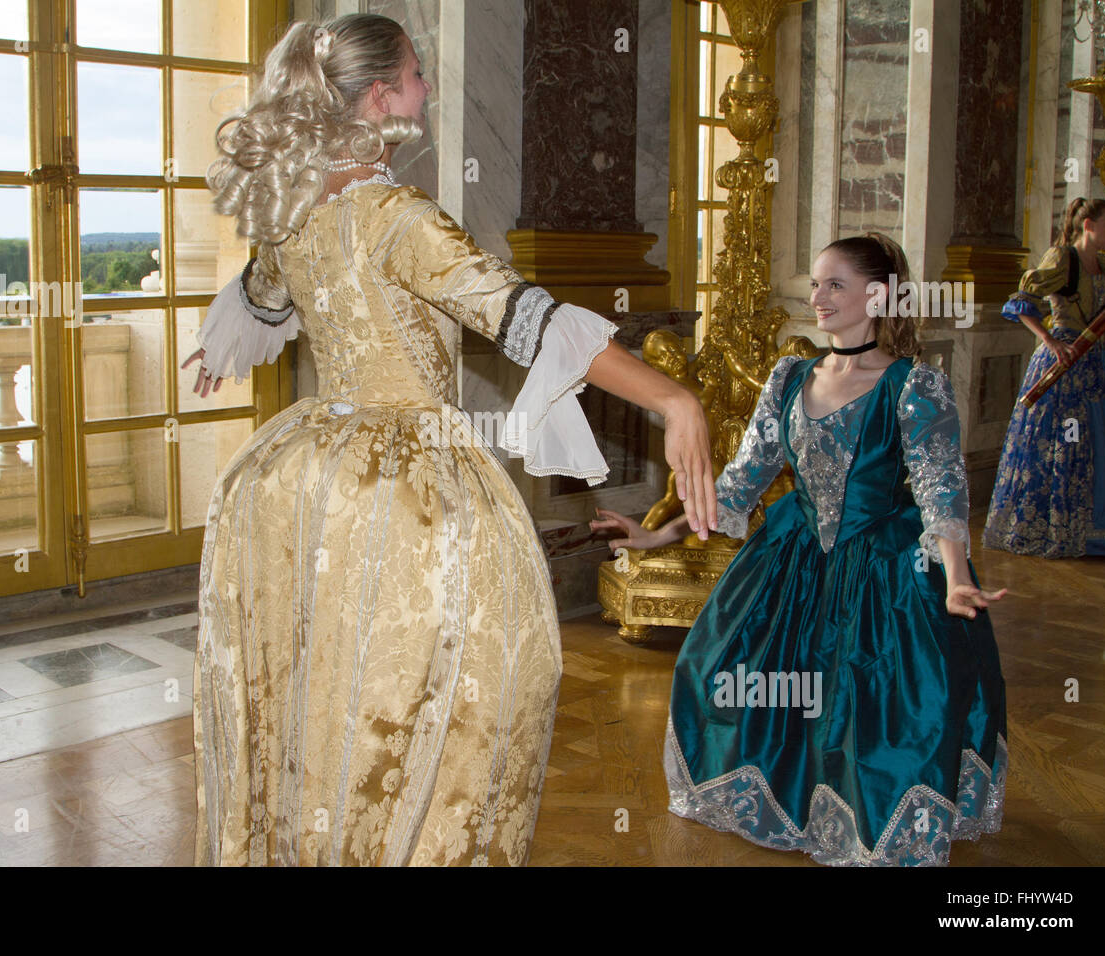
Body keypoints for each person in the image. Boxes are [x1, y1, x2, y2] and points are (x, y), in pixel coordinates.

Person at [180, 14, 716, 866]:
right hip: (403, 489)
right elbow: (520, 318)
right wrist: (670, 396)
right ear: (383, 97)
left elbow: (263, 294)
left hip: (300, 476)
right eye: (417, 72)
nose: (429, 85)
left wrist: (217, 344)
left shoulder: (295, 213)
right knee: (450, 694)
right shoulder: (397, 214)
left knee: (322, 687)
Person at [592, 233, 1008, 866]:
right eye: (815, 284)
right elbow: (738, 484)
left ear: (880, 294)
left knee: (871, 709)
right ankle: (802, 805)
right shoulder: (791, 377)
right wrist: (659, 533)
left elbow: (940, 493)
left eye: (835, 285)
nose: (818, 298)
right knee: (722, 677)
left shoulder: (914, 386)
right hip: (794, 558)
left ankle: (862, 818)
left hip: (885, 571)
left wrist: (953, 578)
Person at [983, 198, 1105, 557]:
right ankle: (1057, 526)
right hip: (1063, 365)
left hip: (1099, 365)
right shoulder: (1062, 258)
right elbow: (1020, 301)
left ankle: (1102, 531)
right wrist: (1049, 340)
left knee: (1103, 443)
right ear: (1088, 225)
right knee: (1064, 447)